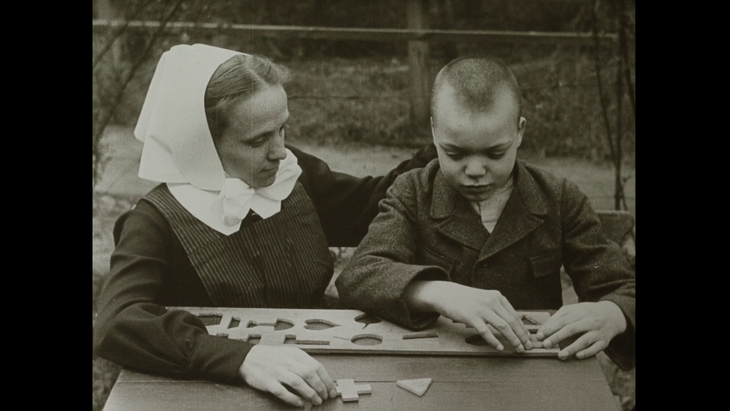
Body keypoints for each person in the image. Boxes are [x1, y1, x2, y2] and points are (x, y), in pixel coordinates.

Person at [93, 43, 436, 408]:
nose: (280, 151)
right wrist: (242, 358)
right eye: (258, 140)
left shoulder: (290, 175)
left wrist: (445, 145)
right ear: (202, 142)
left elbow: (372, 204)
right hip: (212, 393)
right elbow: (116, 322)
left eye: (282, 129)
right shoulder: (155, 221)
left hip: (318, 375)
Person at [335, 56, 635, 370]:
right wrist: (435, 291)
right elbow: (360, 275)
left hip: (533, 371)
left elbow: (624, 289)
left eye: (495, 153)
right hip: (435, 370)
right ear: (435, 132)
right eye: (456, 153)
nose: (476, 171)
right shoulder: (412, 192)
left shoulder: (558, 198)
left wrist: (614, 313)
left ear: (519, 132)